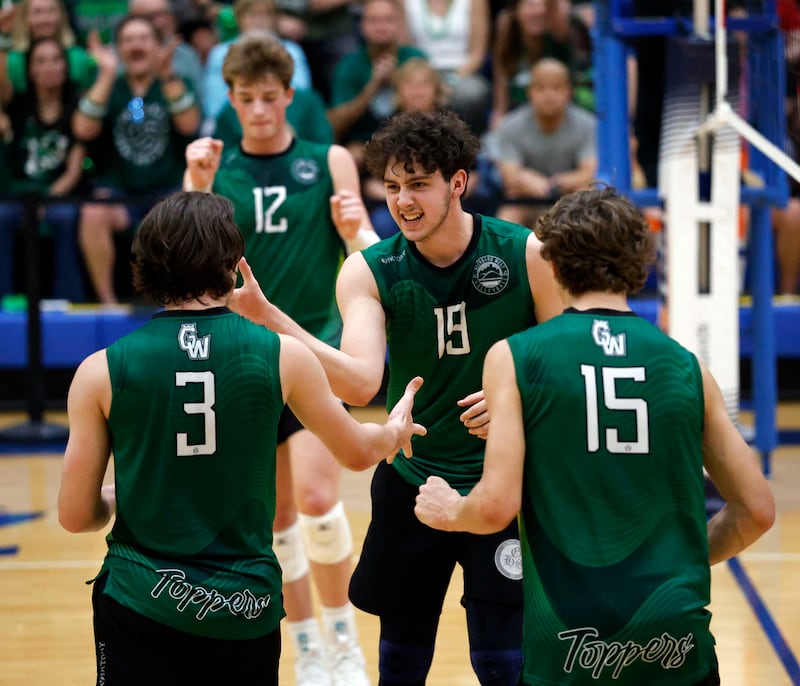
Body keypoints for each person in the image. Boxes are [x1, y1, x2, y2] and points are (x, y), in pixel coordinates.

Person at [229, 108, 564, 686]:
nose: (402, 201)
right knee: (401, 660)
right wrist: (269, 318)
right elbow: (360, 381)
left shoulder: (525, 252)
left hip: (503, 487)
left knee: (503, 660)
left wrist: (520, 399)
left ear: (457, 182)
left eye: (418, 184)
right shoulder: (368, 270)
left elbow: (567, 358)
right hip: (413, 481)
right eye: (391, 186)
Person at [57, 190, 427, 685]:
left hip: (140, 601)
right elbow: (358, 453)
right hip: (243, 607)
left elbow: (76, 515)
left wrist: (119, 493)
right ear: (232, 263)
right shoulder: (283, 355)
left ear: (142, 264)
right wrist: (393, 431)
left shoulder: (99, 371)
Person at [414, 185, 776, 686]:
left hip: (569, 647)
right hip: (675, 640)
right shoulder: (686, 368)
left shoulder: (517, 357)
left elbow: (496, 505)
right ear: (640, 263)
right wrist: (686, 558)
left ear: (554, 262)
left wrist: (449, 509)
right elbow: (756, 509)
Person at [184, 33, 379, 686]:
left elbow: (360, 247)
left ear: (290, 97)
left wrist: (357, 226)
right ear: (231, 100)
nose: (260, 110)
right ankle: (307, 649)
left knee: (322, 497)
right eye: (247, 99)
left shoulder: (329, 159)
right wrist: (194, 185)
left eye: (271, 98)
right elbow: (187, 261)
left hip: (312, 344)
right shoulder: (220, 168)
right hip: (246, 359)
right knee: (277, 517)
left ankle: (346, 642)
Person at [73, 15, 201, 304]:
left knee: (186, 212)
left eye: (144, 39)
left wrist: (167, 75)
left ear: (159, 47)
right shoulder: (110, 86)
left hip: (167, 190)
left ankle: (176, 303)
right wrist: (106, 74)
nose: (136, 46)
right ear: (118, 50)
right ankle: (108, 305)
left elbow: (189, 125)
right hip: (119, 193)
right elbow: (82, 128)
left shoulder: (176, 82)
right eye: (128, 40)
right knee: (93, 213)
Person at [0, 36, 87, 301]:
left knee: (64, 217)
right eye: (41, 61)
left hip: (58, 194)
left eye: (56, 60)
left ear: (65, 67)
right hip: (18, 194)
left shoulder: (78, 109)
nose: (49, 67)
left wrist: (44, 199)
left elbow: (75, 170)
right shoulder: (17, 107)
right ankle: (3, 300)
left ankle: (67, 302)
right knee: (0, 216)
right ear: (30, 70)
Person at [491, 57, 596, 226]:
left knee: (588, 194)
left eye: (556, 88)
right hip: (527, 202)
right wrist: (526, 179)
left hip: (571, 201)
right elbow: (509, 177)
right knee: (507, 216)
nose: (549, 95)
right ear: (529, 92)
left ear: (569, 92)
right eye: (541, 88)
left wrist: (554, 183)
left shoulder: (588, 125)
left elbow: (589, 173)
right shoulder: (509, 125)